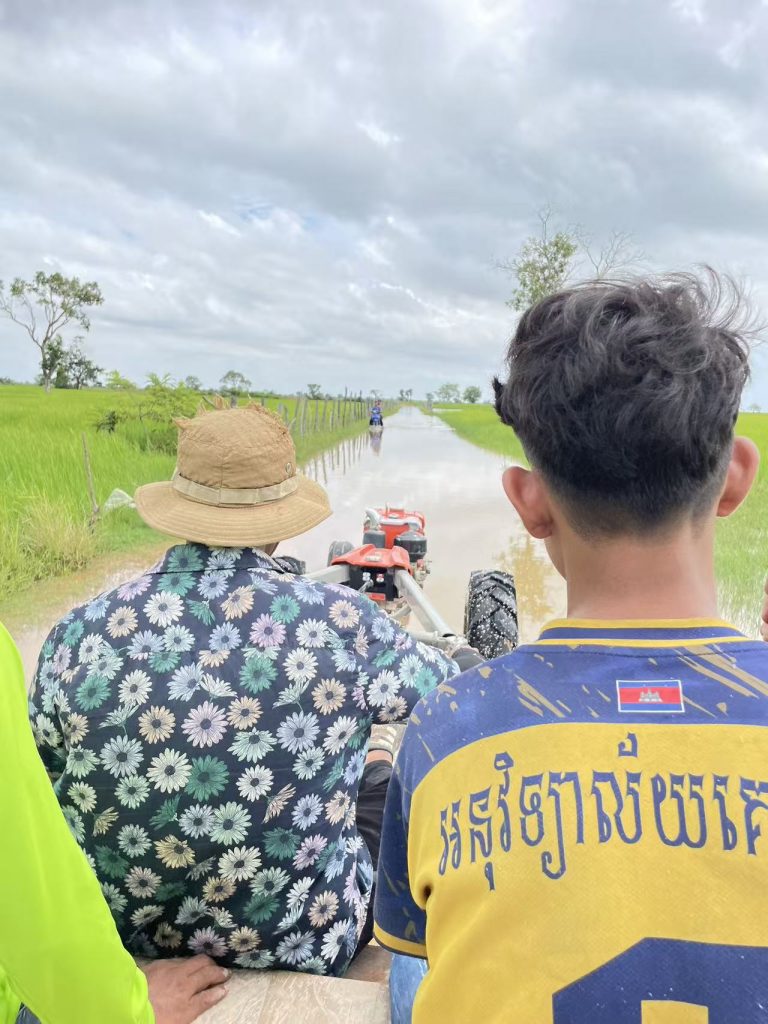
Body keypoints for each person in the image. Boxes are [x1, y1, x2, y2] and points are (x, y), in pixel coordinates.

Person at [374, 272, 768, 1023]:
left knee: (408, 966)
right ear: (735, 478)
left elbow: (417, 940)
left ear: (528, 501)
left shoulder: (448, 724)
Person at [29, 404, 461, 980]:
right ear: (279, 519)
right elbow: (447, 693)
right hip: (309, 934)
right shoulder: (344, 623)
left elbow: (48, 775)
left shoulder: (76, 633)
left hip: (126, 931)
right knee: (380, 781)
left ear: (179, 508)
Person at [0, 620, 229, 1024]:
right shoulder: (346, 620)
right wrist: (126, 1011)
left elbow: (49, 759)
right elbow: (26, 876)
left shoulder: (74, 633)